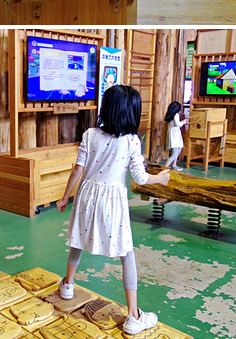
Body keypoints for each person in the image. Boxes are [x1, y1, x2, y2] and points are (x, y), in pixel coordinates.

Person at [57, 85, 171, 335]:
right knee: (126, 254)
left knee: (77, 240)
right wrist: (160, 180)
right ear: (132, 113)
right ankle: (133, 316)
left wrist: (65, 197)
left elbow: (77, 169)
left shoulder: (90, 134)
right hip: (113, 201)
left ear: (106, 108)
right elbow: (140, 179)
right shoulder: (131, 141)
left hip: (87, 195)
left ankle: (67, 285)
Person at [163, 102, 187, 171]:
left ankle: (174, 165)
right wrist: (183, 122)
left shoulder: (171, 114)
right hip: (175, 134)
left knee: (178, 149)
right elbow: (177, 124)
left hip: (175, 133)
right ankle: (164, 167)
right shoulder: (176, 114)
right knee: (175, 153)